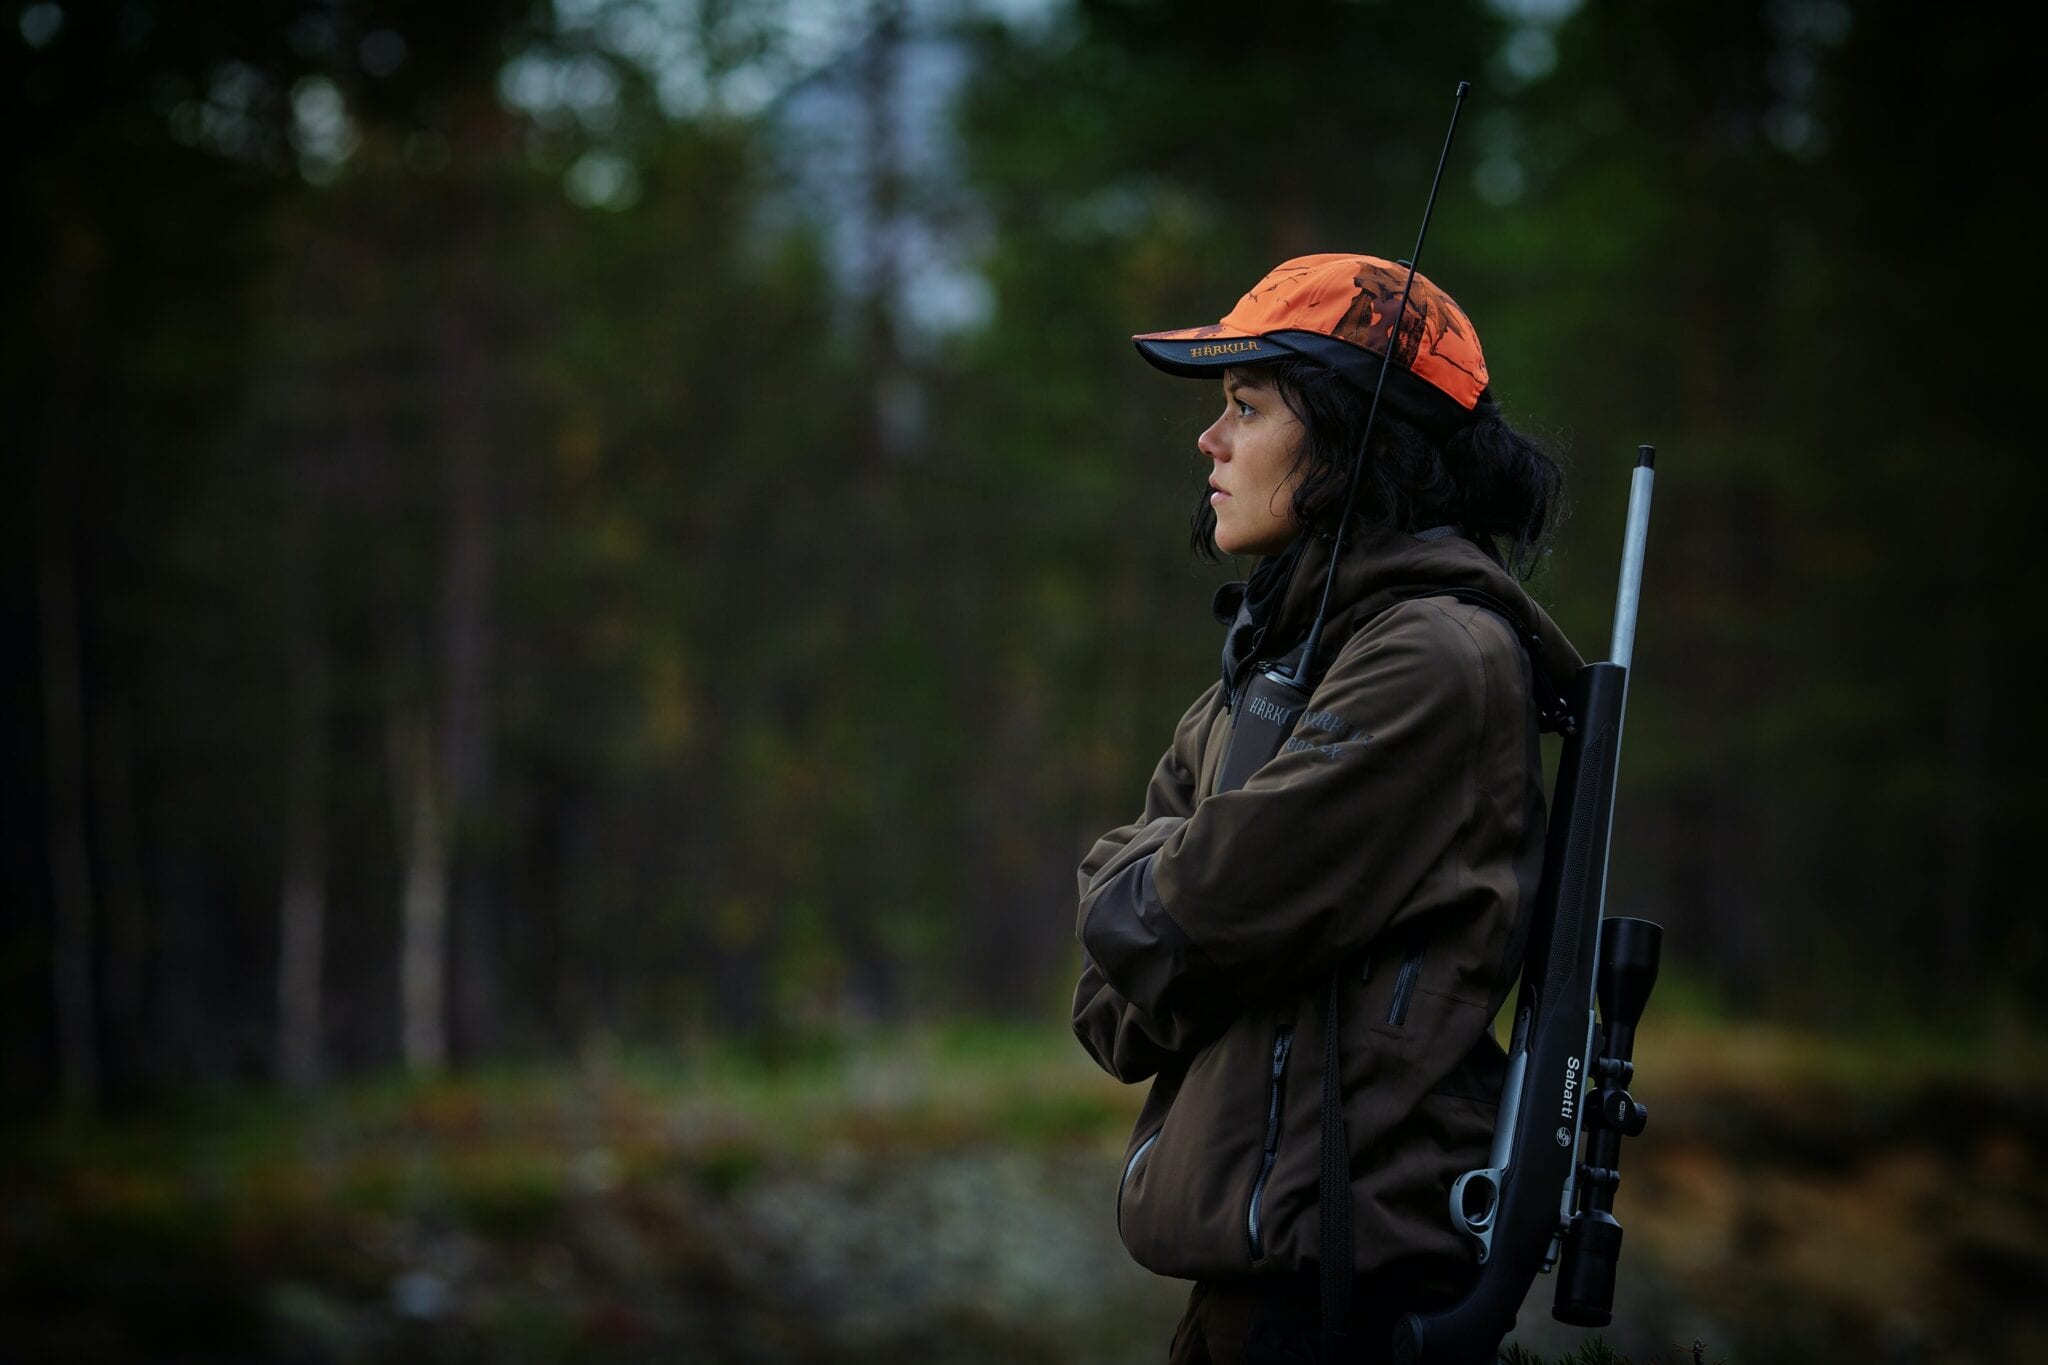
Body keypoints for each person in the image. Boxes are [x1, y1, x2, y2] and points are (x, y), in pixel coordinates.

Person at [1070, 253, 1583, 1365]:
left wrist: (1162, 891)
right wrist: (1168, 901)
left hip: (1346, 1291)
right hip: (1249, 1285)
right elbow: (1109, 1008)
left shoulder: (1432, 656)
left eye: (1245, 409)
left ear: (1357, 443)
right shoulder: (1267, 671)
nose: (1208, 445)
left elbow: (1189, 910)